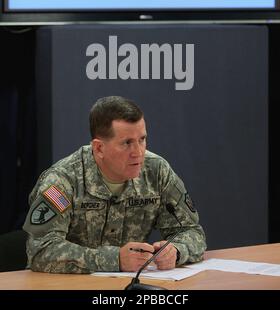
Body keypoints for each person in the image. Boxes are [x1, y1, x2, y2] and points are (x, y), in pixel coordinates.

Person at [23, 96, 206, 273]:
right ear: (99, 148)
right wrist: (114, 259)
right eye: (127, 143)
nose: (138, 152)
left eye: (142, 139)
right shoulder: (62, 181)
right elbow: (40, 250)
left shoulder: (157, 171)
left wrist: (176, 250)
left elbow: (192, 231)